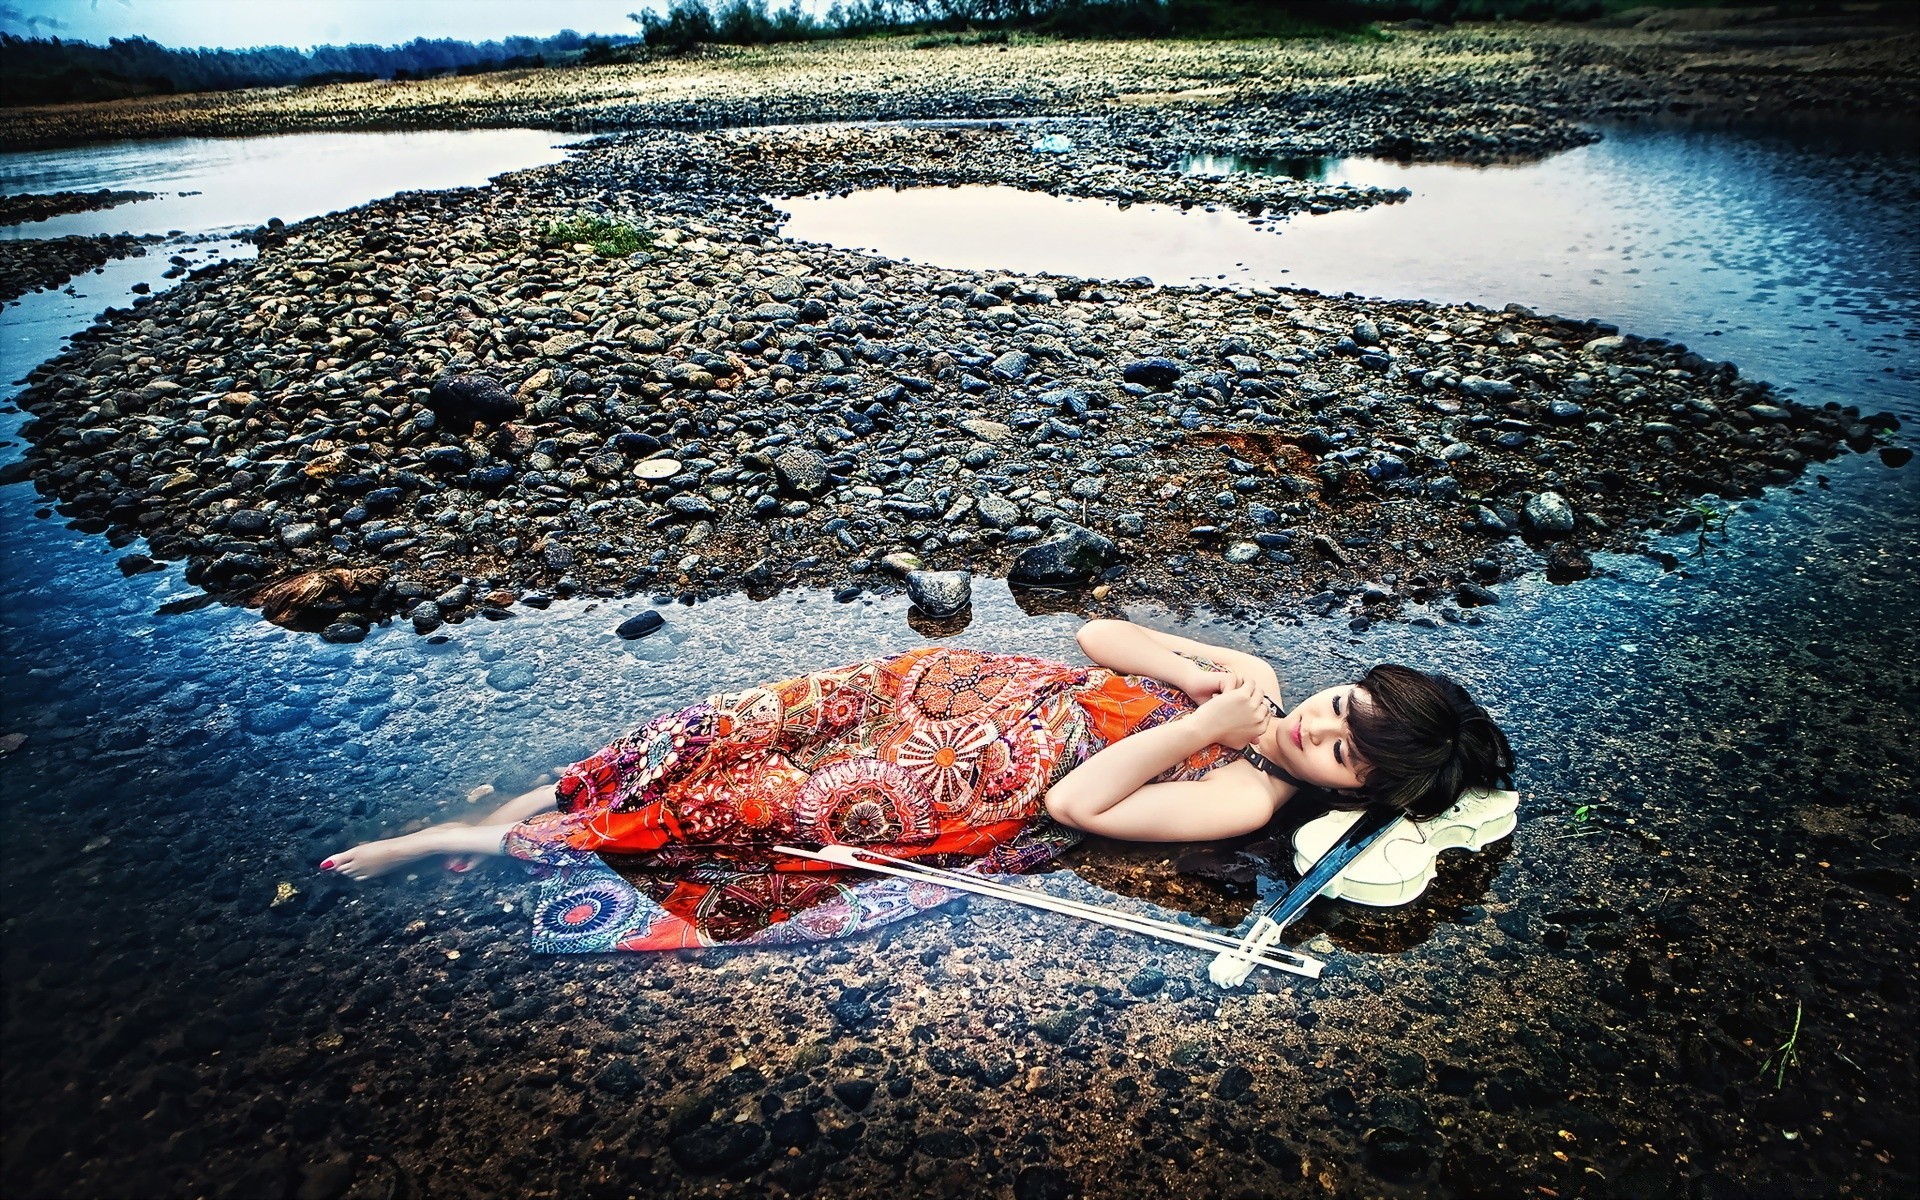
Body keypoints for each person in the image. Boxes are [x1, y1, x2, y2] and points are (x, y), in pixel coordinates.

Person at [319, 618, 1513, 952]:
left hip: (956, 782)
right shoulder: (1259, 686)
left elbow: (1078, 809)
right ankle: (527, 803)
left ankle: (458, 845)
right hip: (943, 691)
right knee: (720, 728)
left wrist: (1209, 722)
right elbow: (1097, 639)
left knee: (734, 809)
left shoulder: (1249, 796)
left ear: (1354, 795)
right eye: (1342, 705)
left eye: (1346, 751)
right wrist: (1216, 669)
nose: (1319, 726)